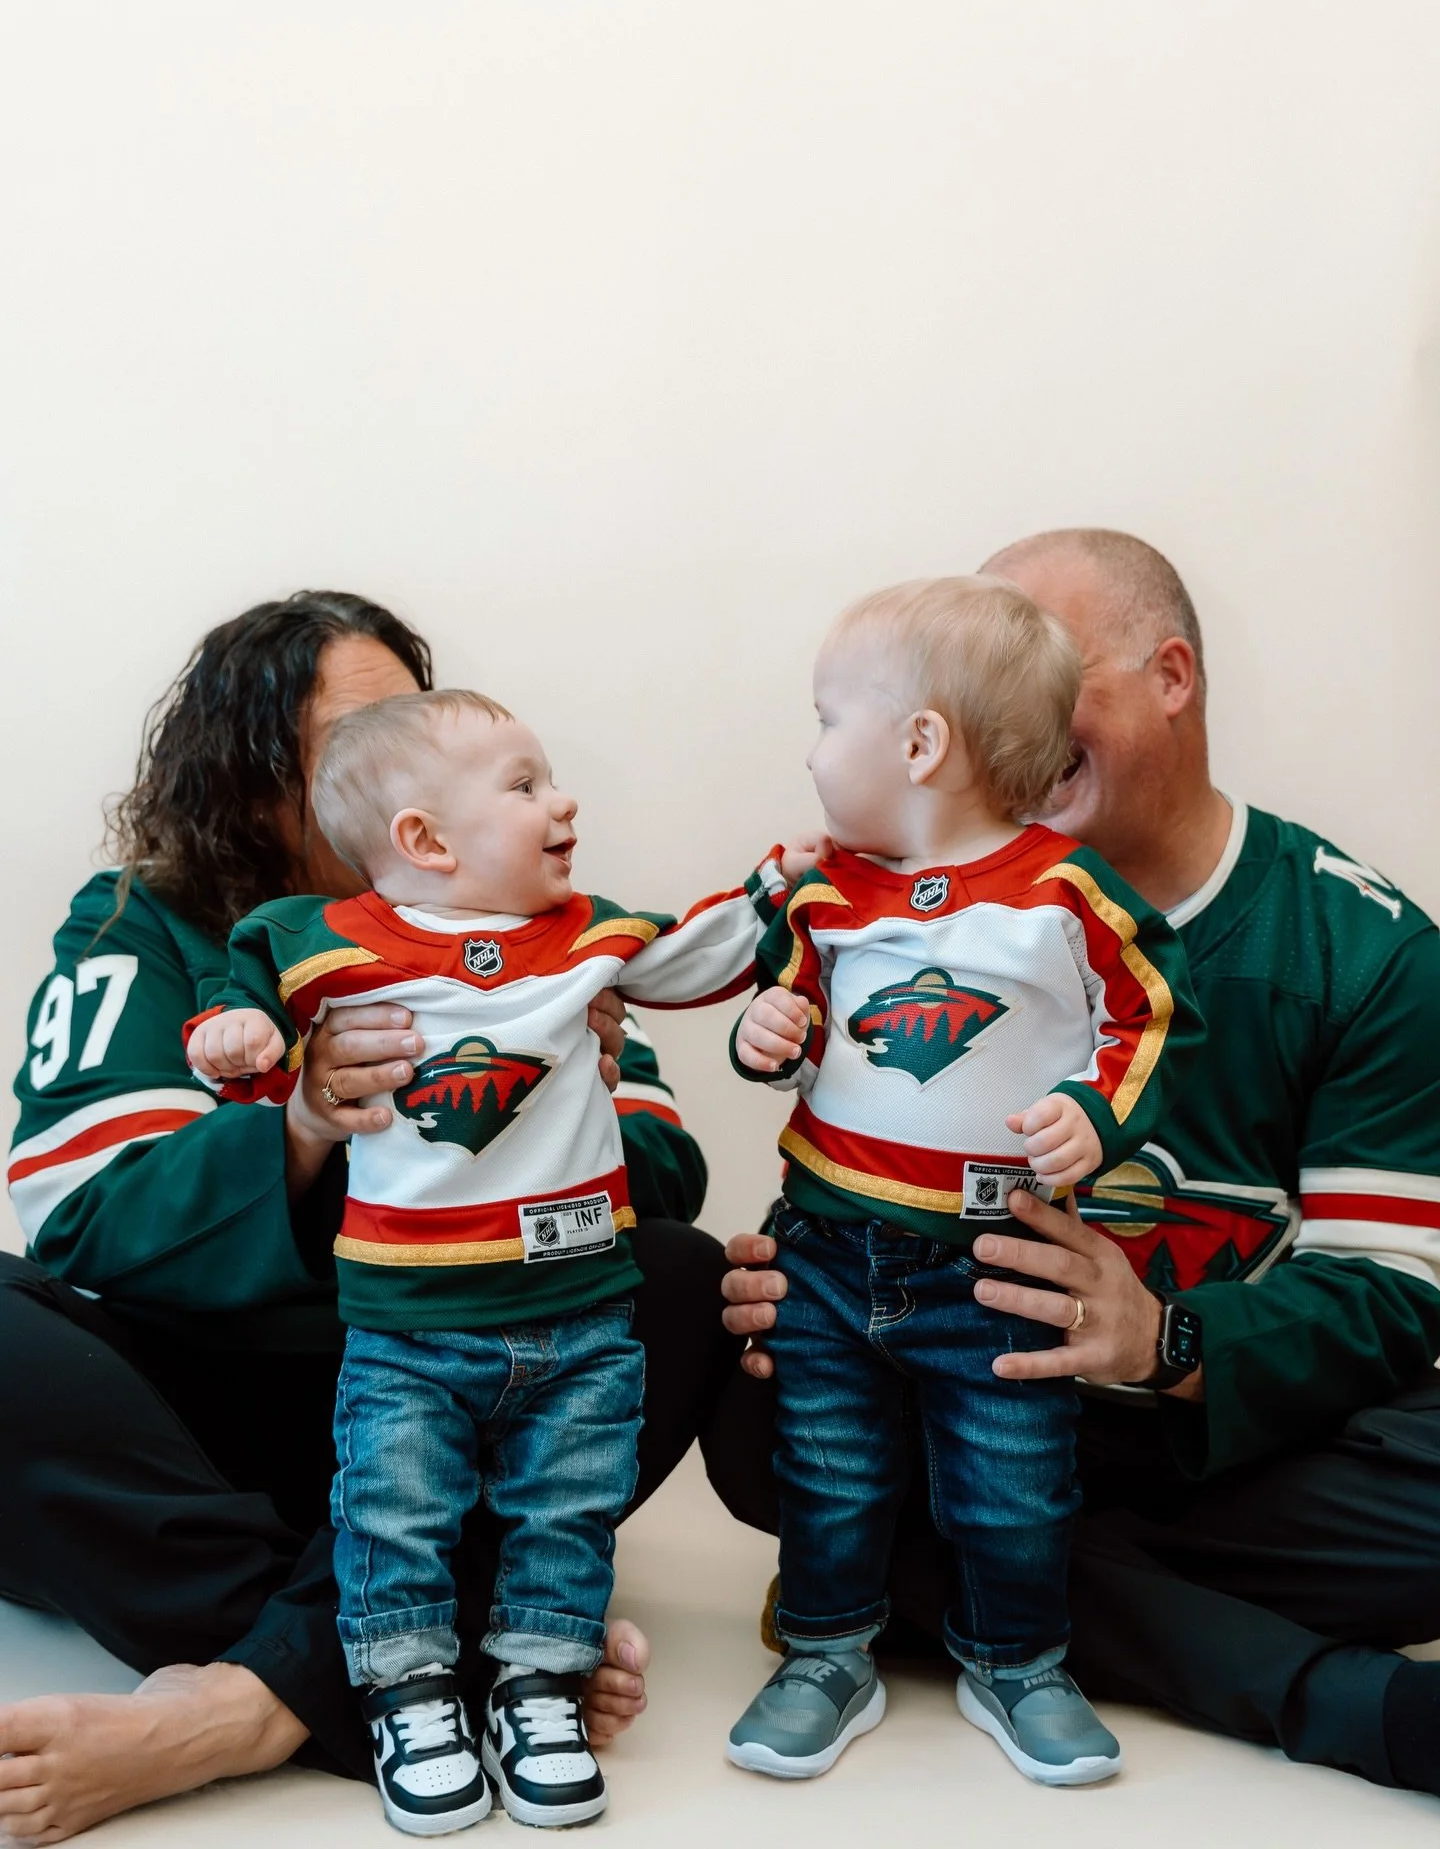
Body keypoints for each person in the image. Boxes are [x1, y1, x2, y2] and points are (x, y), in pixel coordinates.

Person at [713, 529, 1440, 1800]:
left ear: (1171, 676)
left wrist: (1165, 1341)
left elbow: (1398, 1291)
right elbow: (809, 1086)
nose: (1015, 728)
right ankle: (1033, 1603)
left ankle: (928, 1585)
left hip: (1223, 1439)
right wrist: (804, 1279)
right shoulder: (875, 896)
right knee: (745, 1398)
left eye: (1055, 684)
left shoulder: (1365, 949)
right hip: (951, 1375)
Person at [0, 594, 736, 1844]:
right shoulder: (145, 923)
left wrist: (565, 1099)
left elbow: (665, 1163)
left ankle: (254, 1701)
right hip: (216, 1406)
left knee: (680, 1279)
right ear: (248, 781)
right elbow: (77, 1212)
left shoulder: (537, 924)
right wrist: (300, 1126)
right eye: (352, 731)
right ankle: (446, 1648)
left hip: (469, 1372)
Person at [187, 686, 779, 1834]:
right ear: (424, 840)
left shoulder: (586, 937)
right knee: (394, 1511)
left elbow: (696, 958)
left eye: (549, 778)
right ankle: (408, 1695)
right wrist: (241, 1035)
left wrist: (782, 889)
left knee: (567, 1509)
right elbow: (249, 998)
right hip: (409, 1323)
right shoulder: (331, 941)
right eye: (524, 786)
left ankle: (540, 1687)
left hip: (582, 1312)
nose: (563, 801)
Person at [721, 578, 1202, 1788]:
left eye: (830, 717)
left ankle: (1020, 1661)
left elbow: (1150, 1017)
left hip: (995, 1262)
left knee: (1013, 1475)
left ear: (920, 743)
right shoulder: (829, 890)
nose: (815, 749)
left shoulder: (1062, 893)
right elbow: (790, 1004)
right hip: (827, 1243)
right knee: (828, 1465)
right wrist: (765, 1033)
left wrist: (1098, 1116)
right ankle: (829, 1652)